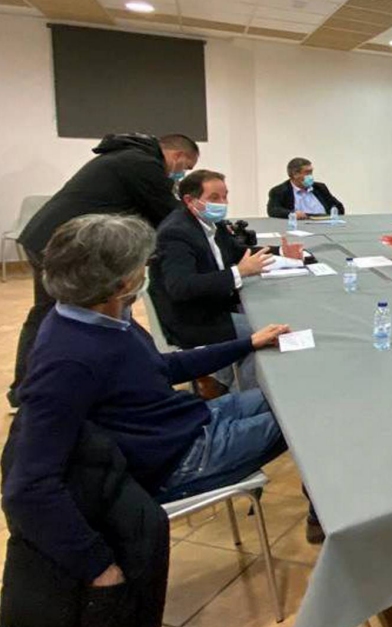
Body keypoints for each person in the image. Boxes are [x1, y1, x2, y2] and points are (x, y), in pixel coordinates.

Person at [1, 214, 300, 601]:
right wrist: (96, 565)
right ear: (121, 283)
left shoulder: (102, 319)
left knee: (297, 393)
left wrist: (248, 343)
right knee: (307, 418)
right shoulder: (68, 360)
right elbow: (27, 487)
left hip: (188, 421)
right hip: (180, 458)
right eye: (141, 264)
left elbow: (162, 367)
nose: (147, 271)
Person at [10, 133, 198, 407]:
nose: (182, 174)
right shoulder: (142, 164)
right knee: (71, 313)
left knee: (46, 314)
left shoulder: (125, 156)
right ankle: (39, 391)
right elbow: (168, 212)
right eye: (186, 167)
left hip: (48, 237)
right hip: (64, 245)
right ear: (178, 155)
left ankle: (24, 388)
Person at [149, 170, 275, 393]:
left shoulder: (211, 223)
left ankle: (229, 382)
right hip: (192, 318)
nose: (223, 203)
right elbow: (181, 287)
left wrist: (282, 252)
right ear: (190, 200)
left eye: (225, 196)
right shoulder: (175, 232)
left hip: (214, 304)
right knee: (260, 333)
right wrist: (239, 272)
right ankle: (249, 398)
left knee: (264, 315)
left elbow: (238, 251)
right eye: (214, 197)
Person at [266, 157, 346, 219]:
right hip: (300, 226)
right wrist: (292, 214)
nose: (311, 176)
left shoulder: (320, 187)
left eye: (311, 172)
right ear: (295, 174)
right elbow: (273, 210)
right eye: (307, 173)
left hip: (325, 223)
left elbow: (339, 207)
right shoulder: (279, 191)